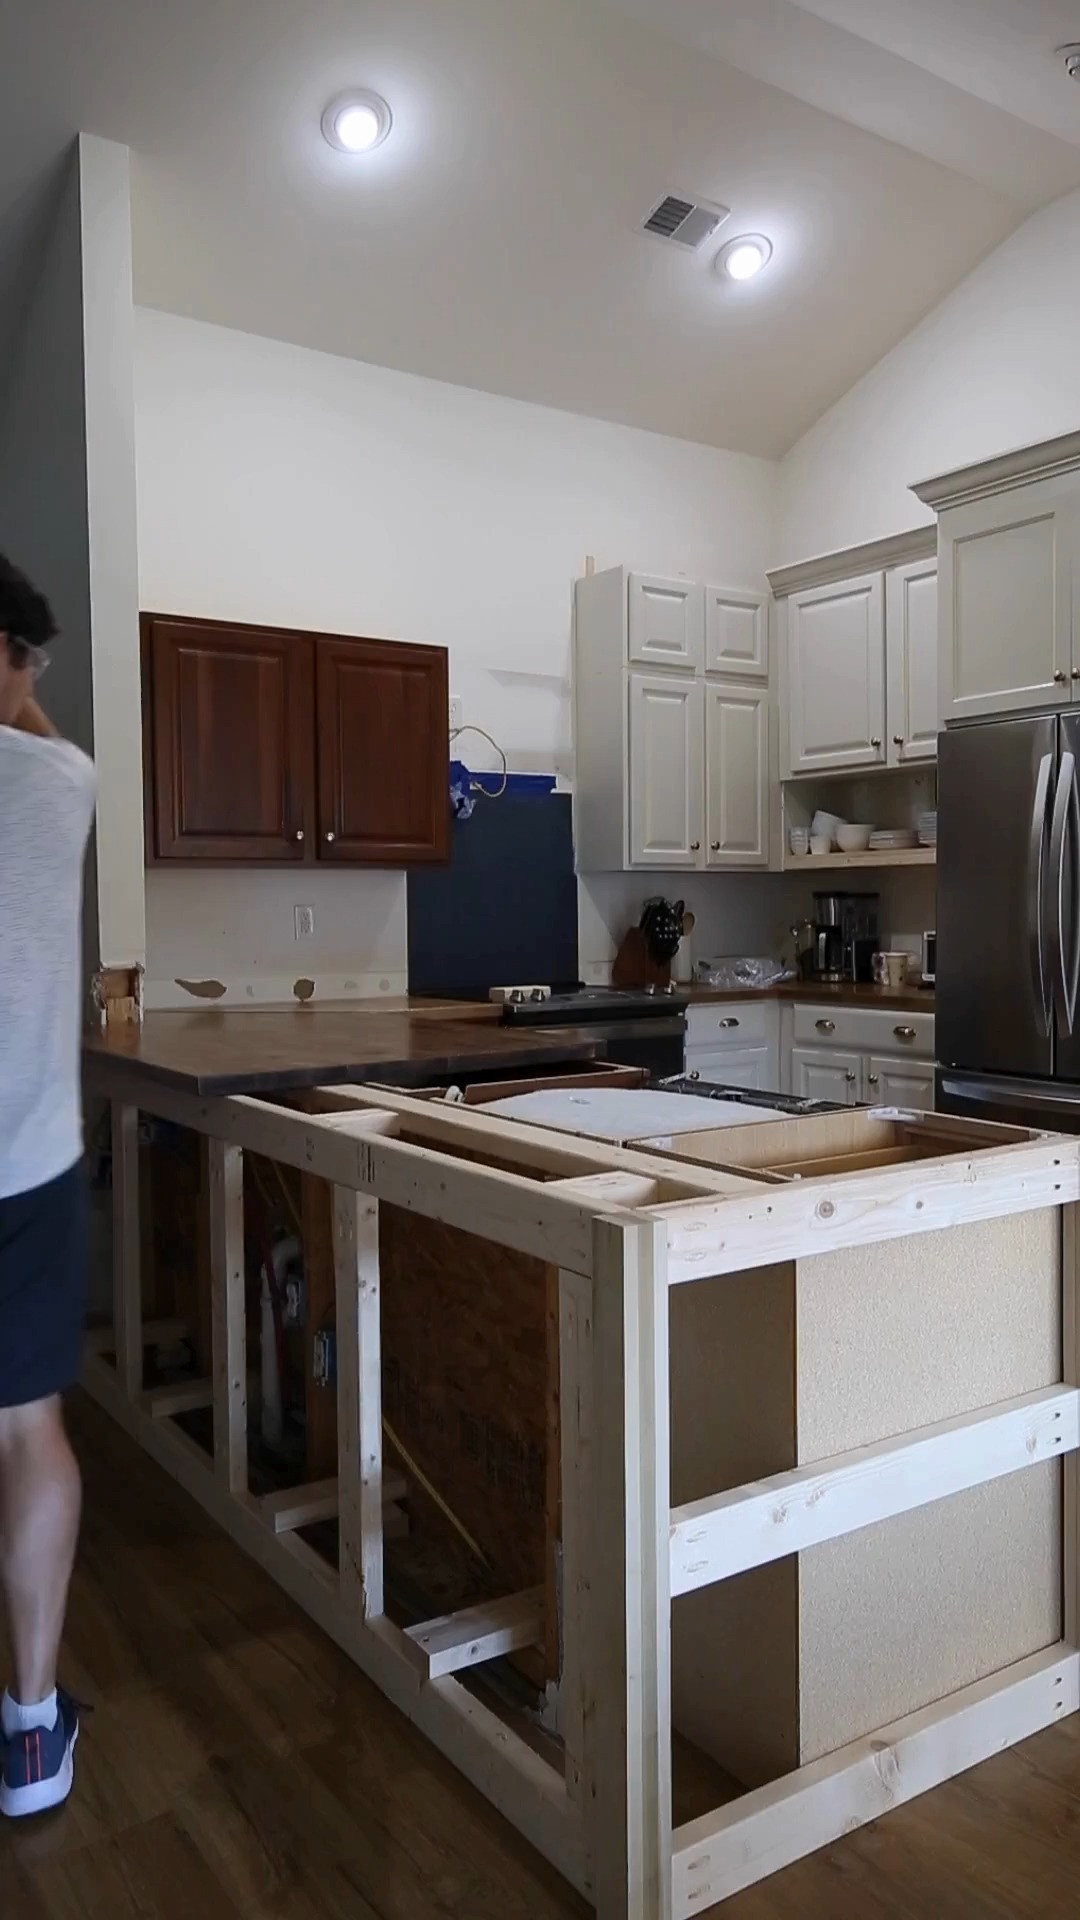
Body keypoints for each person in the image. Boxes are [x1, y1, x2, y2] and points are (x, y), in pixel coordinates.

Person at [0, 555, 95, 1815]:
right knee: (26, 1431)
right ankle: (30, 1733)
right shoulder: (60, 783)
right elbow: (44, 739)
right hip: (26, 1165)